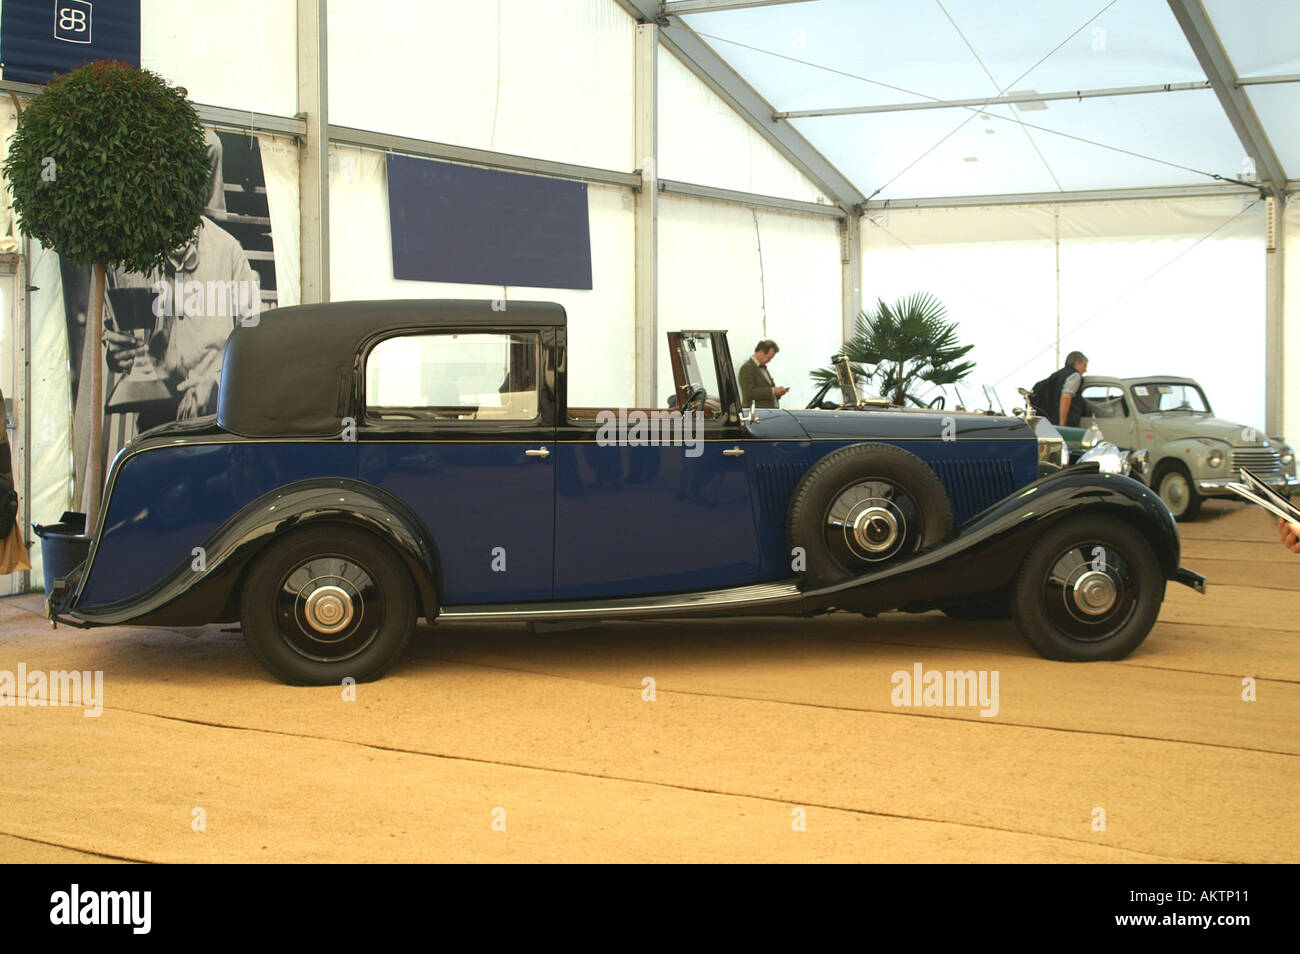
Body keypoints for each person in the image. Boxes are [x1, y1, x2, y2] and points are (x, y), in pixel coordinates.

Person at [738, 339, 788, 409]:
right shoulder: (747, 368)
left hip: (768, 413)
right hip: (758, 415)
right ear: (761, 352)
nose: (769, 361)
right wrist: (773, 391)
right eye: (769, 357)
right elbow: (749, 393)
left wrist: (778, 392)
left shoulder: (762, 368)